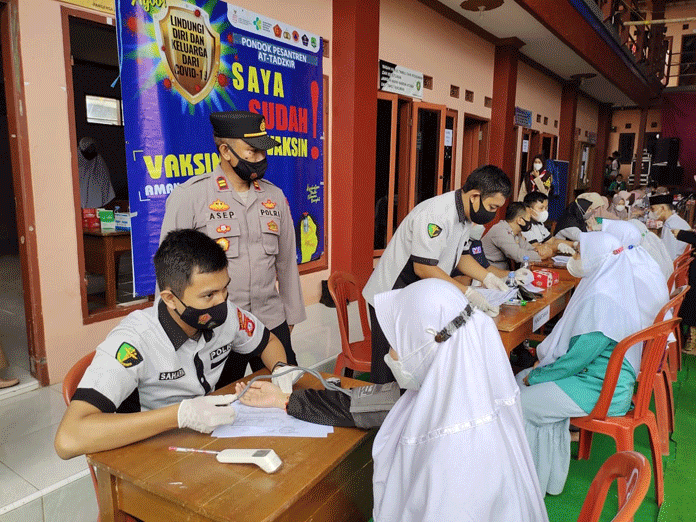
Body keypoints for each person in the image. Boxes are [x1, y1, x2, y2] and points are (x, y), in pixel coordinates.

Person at [239, 279, 549, 521]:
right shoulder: (463, 386)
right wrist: (286, 401)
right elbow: (368, 403)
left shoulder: (454, 460)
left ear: (426, 344)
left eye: (398, 343)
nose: (389, 356)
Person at [54, 229, 288, 459]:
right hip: (150, 453)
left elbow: (269, 341)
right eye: (209, 295)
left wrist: (281, 370)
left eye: (225, 288)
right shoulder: (133, 342)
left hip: (204, 443)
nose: (222, 302)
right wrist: (180, 415)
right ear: (170, 299)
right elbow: (68, 439)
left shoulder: (227, 316)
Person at [517, 228, 668, 496]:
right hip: (602, 380)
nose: (574, 257)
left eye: (579, 253)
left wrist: (538, 376)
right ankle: (546, 479)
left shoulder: (602, 299)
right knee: (525, 385)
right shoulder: (612, 286)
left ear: (596, 259)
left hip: (600, 389)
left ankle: (527, 483)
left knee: (521, 401)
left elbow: (576, 359)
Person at [159, 111, 305, 379]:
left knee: (287, 392)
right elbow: (170, 272)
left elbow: (285, 262)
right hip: (218, 327)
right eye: (252, 151)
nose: (260, 159)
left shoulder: (274, 196)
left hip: (271, 320)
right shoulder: (191, 196)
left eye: (263, 152)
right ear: (226, 151)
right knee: (227, 403)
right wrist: (182, 331)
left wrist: (289, 319)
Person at [362, 165, 523, 383]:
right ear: (475, 196)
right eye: (492, 206)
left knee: (413, 366)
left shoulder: (465, 217)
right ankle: (380, 416)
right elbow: (424, 267)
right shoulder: (437, 214)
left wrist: (488, 277)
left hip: (416, 294)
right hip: (392, 295)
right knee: (388, 372)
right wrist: (467, 292)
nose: (493, 214)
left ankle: (407, 414)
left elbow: (462, 257)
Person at [481, 202, 550, 270]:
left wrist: (540, 250)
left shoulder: (516, 233)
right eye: (529, 218)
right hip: (489, 271)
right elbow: (518, 255)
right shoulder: (500, 230)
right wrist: (540, 256)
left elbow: (528, 248)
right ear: (520, 220)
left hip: (504, 271)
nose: (530, 221)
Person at [649, 193, 690, 261]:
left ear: (663, 208)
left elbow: (669, 255)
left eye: (653, 209)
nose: (651, 212)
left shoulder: (670, 226)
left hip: (675, 264)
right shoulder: (675, 220)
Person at [77, 137, 115, 209]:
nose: (90, 154)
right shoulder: (77, 161)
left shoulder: (98, 161)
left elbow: (105, 182)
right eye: (88, 151)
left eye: (92, 150)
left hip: (98, 206)